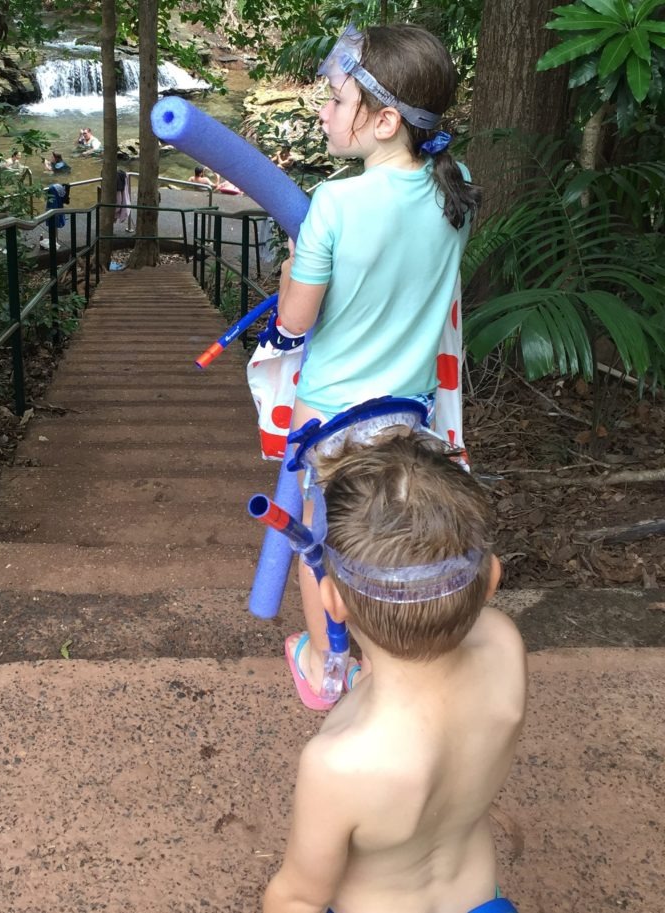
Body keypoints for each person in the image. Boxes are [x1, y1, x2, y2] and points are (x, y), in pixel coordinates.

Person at [274, 23, 482, 709]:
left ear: (385, 120)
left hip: (329, 414)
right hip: (408, 417)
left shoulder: (334, 204)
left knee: (320, 544)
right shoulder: (459, 189)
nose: (322, 112)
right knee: (389, 540)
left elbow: (294, 322)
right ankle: (395, 655)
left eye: (335, 100)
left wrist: (286, 276)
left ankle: (327, 665)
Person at [264, 434, 526, 913]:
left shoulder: (339, 763)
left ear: (333, 604)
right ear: (491, 578)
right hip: (479, 900)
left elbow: (300, 896)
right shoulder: (504, 647)